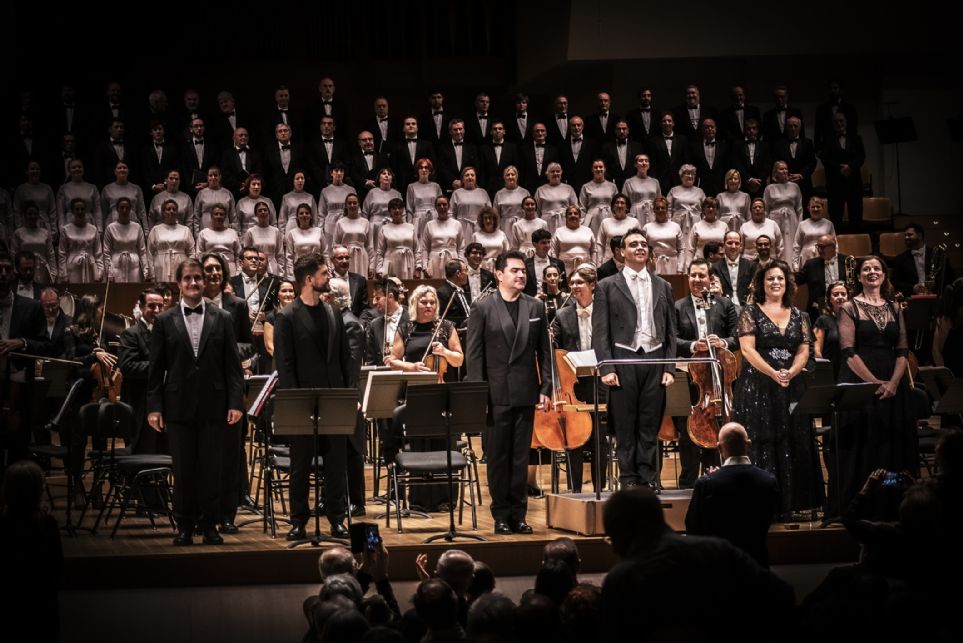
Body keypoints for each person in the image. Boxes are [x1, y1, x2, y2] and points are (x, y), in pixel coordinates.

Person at [602, 485, 794, 642]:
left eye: (611, 537)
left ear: (621, 531)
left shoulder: (622, 579)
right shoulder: (717, 549)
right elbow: (782, 594)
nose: (614, 548)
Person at [147, 258, 244, 546]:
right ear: (179, 283)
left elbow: (233, 367)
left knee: (212, 469)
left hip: (214, 405)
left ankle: (210, 525)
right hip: (178, 406)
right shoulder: (164, 320)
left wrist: (235, 402)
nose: (193, 283)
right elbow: (156, 369)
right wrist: (154, 407)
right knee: (184, 470)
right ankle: (184, 526)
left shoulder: (222, 317)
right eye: (187, 278)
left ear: (204, 281)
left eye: (198, 278)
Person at [467, 250, 552, 534]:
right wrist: (478, 395)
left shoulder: (535, 307)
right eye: (514, 270)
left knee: (520, 457)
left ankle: (519, 514)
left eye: (523, 271)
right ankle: (500, 515)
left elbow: (545, 352)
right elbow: (474, 356)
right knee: (498, 457)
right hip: (495, 395)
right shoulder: (482, 307)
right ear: (499, 274)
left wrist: (546, 387)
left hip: (526, 392)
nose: (521, 275)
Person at [733, 260, 822, 520]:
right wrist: (773, 372)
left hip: (791, 386)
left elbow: (804, 350)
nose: (775, 282)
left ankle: (793, 504)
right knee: (763, 439)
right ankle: (764, 506)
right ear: (762, 283)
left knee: (793, 440)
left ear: (787, 283)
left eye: (780, 278)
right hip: (758, 386)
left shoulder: (801, 316)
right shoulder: (750, 311)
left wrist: (791, 372)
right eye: (770, 278)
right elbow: (747, 350)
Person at [273, 253, 354, 539]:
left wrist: (350, 394)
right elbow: (285, 365)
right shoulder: (286, 316)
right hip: (303, 401)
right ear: (309, 279)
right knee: (300, 465)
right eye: (324, 273)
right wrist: (295, 404)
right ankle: (299, 521)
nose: (328, 277)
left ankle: (336, 518)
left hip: (334, 399)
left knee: (336, 465)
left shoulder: (332, 312)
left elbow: (345, 357)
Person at [834, 256, 919, 519]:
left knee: (893, 444)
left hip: (894, 383)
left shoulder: (895, 307)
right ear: (859, 276)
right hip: (861, 382)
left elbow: (902, 350)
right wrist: (873, 383)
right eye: (867, 269)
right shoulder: (849, 307)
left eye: (877, 268)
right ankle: (866, 501)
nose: (872, 272)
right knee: (867, 443)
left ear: (884, 274)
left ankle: (892, 500)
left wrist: (892, 383)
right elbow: (848, 351)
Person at [593, 228, 676, 489]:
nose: (639, 248)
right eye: (633, 244)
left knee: (650, 424)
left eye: (643, 244)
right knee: (626, 424)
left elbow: (670, 331)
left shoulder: (663, 285)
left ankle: (648, 478)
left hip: (655, 359)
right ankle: (628, 478)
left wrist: (670, 367)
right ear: (621, 252)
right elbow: (600, 332)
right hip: (623, 359)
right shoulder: (607, 285)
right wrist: (607, 366)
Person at [385, 284, 465, 510]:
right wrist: (410, 367)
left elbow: (459, 359)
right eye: (424, 302)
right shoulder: (406, 328)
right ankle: (419, 501)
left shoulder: (446, 327)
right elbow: (391, 360)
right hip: (416, 395)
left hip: (441, 396)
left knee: (444, 445)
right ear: (415, 304)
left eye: (432, 302)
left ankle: (445, 500)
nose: (428, 306)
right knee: (419, 446)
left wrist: (444, 352)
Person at [674, 258, 739, 487]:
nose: (697, 279)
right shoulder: (678, 306)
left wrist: (722, 342)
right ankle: (688, 483)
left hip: (718, 377)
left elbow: (737, 336)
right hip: (689, 377)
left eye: (702, 275)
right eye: (693, 275)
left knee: (716, 427)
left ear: (710, 279)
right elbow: (672, 339)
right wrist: (693, 345)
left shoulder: (724, 304)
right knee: (687, 432)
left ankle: (717, 480)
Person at [550, 264, 603, 492]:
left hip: (600, 382)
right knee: (573, 439)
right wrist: (548, 338)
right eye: (571, 283)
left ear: (592, 285)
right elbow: (556, 347)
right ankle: (575, 490)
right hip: (573, 385)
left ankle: (601, 488)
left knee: (599, 439)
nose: (574, 286)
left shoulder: (604, 312)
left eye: (579, 282)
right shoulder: (562, 315)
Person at [0, 460, 64, 643]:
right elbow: (57, 567)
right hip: (43, 607)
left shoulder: (3, 525)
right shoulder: (47, 525)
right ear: (39, 491)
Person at [327, 278, 368, 517]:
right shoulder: (335, 320)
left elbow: (352, 365)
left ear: (334, 298)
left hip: (349, 395)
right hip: (336, 394)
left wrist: (350, 395)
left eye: (326, 295)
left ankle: (357, 501)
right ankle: (335, 498)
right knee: (335, 449)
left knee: (352, 450)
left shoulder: (350, 323)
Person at [118, 288, 166, 454]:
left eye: (160, 306)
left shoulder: (167, 333)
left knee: (163, 451)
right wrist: (161, 367)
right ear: (141, 306)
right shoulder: (130, 334)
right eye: (152, 306)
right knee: (141, 451)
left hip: (163, 403)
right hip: (139, 404)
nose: (157, 310)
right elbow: (127, 366)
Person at [820, 112, 865, 232]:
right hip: (835, 184)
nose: (839, 123)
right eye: (836, 122)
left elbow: (861, 157)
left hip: (854, 183)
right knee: (835, 219)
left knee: (856, 218)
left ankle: (856, 243)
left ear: (846, 122)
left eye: (841, 121)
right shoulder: (827, 140)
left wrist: (850, 167)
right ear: (832, 124)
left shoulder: (856, 138)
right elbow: (825, 158)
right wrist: (841, 168)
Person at [890, 223, 955, 298]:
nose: (906, 237)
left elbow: (950, 278)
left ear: (920, 236)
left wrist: (935, 283)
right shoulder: (900, 259)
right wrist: (913, 288)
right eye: (905, 235)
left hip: (936, 297)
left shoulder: (938, 255)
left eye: (910, 235)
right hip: (911, 299)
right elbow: (895, 283)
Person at [796, 233, 848, 320]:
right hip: (817, 313)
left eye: (822, 247)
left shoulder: (847, 261)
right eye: (818, 247)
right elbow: (796, 279)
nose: (819, 250)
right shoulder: (811, 265)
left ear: (833, 247)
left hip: (845, 310)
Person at [146, 199, 195, 283]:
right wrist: (152, 274)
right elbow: (150, 253)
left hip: (181, 265)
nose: (171, 211)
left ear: (177, 212)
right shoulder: (156, 229)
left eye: (174, 209)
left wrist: (189, 270)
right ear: (163, 212)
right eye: (168, 209)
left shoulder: (185, 230)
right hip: (160, 265)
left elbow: (192, 252)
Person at [764, 160, 804, 264]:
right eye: (781, 169)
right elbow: (766, 209)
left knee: (791, 243)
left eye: (786, 169)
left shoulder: (795, 186)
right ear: (775, 172)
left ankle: (792, 266)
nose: (784, 171)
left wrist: (800, 225)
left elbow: (799, 208)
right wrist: (766, 226)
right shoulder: (769, 188)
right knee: (777, 243)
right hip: (775, 219)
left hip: (791, 219)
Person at [102, 196, 150, 282]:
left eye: (127, 208)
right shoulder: (110, 228)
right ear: (117, 209)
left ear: (130, 209)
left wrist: (145, 270)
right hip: (116, 265)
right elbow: (106, 252)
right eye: (122, 207)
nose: (124, 210)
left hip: (134, 265)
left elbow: (142, 251)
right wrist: (109, 271)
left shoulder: (137, 227)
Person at [667, 164, 705, 267]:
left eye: (692, 174)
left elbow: (704, 210)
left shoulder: (700, 191)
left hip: (695, 222)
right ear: (681, 176)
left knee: (693, 246)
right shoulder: (674, 190)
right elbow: (668, 208)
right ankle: (679, 268)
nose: (690, 176)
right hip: (678, 223)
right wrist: (669, 224)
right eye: (687, 173)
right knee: (679, 246)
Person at [58, 197, 104, 283]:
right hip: (72, 268)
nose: (80, 211)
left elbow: (98, 253)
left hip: (90, 267)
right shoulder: (66, 230)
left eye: (82, 209)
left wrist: (100, 271)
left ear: (85, 210)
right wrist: (63, 274)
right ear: (72, 211)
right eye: (77, 209)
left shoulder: (93, 229)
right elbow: (62, 254)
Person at [11, 202, 57, 284]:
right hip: (25, 269)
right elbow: (14, 254)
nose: (33, 216)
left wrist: (53, 272)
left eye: (35, 214)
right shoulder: (18, 233)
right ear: (24, 215)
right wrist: (16, 271)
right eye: (30, 214)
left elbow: (50, 254)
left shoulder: (45, 232)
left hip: (42, 269)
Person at [420, 196, 465, 279]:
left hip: (452, 260)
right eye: (439, 205)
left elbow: (461, 247)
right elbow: (425, 248)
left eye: (444, 204)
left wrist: (461, 263)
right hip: (434, 261)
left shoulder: (457, 224)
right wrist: (425, 266)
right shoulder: (429, 225)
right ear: (435, 207)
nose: (442, 207)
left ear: (449, 206)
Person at [332, 193, 374, 278]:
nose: (352, 205)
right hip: (345, 258)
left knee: (361, 281)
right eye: (349, 203)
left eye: (354, 203)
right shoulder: (340, 223)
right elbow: (335, 245)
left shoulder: (365, 222)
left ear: (358, 205)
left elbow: (370, 246)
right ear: (346, 205)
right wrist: (335, 264)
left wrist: (372, 265)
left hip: (362, 257)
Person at [375, 198, 419, 279]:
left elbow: (416, 249)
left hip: (408, 265)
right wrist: (379, 269)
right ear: (390, 211)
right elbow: (380, 251)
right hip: (391, 264)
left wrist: (418, 266)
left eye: (399, 208)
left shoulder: (411, 227)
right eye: (394, 208)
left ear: (403, 210)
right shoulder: (384, 228)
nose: (397, 210)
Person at [814, 281, 850, 379]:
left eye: (843, 294)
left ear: (848, 297)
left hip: (851, 373)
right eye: (835, 294)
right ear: (830, 299)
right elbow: (817, 352)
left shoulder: (854, 320)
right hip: (830, 373)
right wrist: (824, 373)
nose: (840, 297)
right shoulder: (823, 320)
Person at [195, 203, 241, 275]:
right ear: (211, 216)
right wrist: (202, 272)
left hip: (231, 268)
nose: (218, 216)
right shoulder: (203, 233)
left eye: (221, 214)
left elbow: (238, 254)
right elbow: (199, 255)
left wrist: (238, 271)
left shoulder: (232, 233)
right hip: (210, 268)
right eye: (216, 214)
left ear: (225, 217)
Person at [55, 159, 101, 231]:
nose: (77, 169)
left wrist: (100, 229)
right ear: (69, 170)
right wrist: (61, 228)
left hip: (88, 223)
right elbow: (61, 213)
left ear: (83, 169)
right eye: (73, 167)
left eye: (79, 167)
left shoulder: (92, 188)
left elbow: (97, 210)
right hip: (69, 224)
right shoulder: (63, 189)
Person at [712, 230, 754, 309]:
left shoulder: (751, 266)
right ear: (723, 245)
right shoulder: (715, 267)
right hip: (723, 309)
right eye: (730, 243)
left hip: (746, 308)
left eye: (737, 243)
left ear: (741, 246)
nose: (733, 246)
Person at [240, 201, 284, 276]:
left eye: (265, 210)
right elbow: (246, 253)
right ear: (256, 214)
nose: (263, 212)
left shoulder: (276, 231)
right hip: (256, 266)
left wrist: (281, 273)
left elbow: (280, 255)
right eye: (260, 210)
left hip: (273, 267)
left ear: (269, 212)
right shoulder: (250, 232)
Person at [101, 160, 147, 231]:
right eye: (119, 168)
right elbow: (103, 213)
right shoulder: (107, 189)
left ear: (128, 171)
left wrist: (146, 230)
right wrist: (102, 230)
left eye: (124, 168)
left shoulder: (136, 189)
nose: (122, 170)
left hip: (132, 223)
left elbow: (142, 212)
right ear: (115, 171)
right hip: (112, 224)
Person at [641, 196, 682, 274]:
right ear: (654, 210)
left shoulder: (675, 226)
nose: (660, 210)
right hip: (653, 264)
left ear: (667, 209)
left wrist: (680, 268)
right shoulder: (647, 227)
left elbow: (681, 249)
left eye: (663, 208)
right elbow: (643, 249)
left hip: (672, 263)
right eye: (657, 208)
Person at [284, 203, 326, 281]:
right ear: (297, 217)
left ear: (311, 216)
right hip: (300, 271)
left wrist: (327, 271)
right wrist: (291, 276)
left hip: (316, 269)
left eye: (307, 213)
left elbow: (325, 253)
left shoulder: (319, 231)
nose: (304, 215)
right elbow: (289, 257)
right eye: (301, 213)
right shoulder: (292, 233)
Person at [793, 197, 835, 270]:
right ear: (808, 208)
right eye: (813, 207)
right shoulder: (802, 224)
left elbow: (834, 244)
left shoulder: (829, 224)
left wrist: (834, 260)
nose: (815, 209)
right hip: (806, 257)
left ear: (822, 208)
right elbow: (796, 245)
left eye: (818, 207)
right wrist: (795, 263)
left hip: (824, 256)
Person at [535, 163, 578, 234]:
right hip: (547, 223)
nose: (555, 173)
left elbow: (575, 208)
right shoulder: (540, 190)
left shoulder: (569, 188)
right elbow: (536, 211)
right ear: (547, 175)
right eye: (552, 171)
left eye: (558, 171)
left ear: (561, 173)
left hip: (565, 222)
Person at [405, 159, 443, 239]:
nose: (424, 170)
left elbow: (441, 206)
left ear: (430, 171)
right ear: (417, 170)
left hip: (433, 218)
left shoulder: (436, 186)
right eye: (421, 167)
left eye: (426, 167)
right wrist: (409, 227)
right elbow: (409, 209)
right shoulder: (411, 187)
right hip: (418, 220)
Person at [578, 159, 618, 235]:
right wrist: (582, 223)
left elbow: (616, 204)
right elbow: (582, 207)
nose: (598, 169)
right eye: (595, 167)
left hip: (609, 217)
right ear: (592, 170)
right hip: (592, 219)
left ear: (605, 169)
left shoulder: (613, 186)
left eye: (600, 167)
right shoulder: (585, 187)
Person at [449, 167, 491, 240]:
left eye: (472, 175)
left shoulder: (483, 192)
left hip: (480, 228)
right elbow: (450, 213)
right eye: (467, 175)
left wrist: (486, 226)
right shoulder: (456, 193)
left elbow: (489, 211)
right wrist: (455, 227)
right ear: (462, 179)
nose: (470, 177)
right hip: (462, 228)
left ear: (475, 178)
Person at [602, 119, 645, 190]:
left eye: (624, 129)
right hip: (612, 186)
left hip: (634, 185)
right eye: (619, 129)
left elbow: (640, 167)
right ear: (615, 131)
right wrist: (610, 181)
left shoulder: (637, 147)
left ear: (628, 131)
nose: (621, 131)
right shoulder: (606, 148)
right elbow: (604, 167)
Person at [597, 194, 640, 265]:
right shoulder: (605, 222)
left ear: (627, 207)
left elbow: (639, 243)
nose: (619, 205)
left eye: (622, 203)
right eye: (617, 203)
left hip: (629, 261)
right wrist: (599, 263)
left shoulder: (634, 222)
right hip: (609, 261)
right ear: (613, 207)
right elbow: (600, 244)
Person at [362, 167, 403, 241]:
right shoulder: (372, 193)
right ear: (379, 179)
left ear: (392, 180)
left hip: (392, 226)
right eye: (384, 173)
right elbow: (365, 212)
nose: (386, 175)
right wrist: (365, 229)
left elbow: (403, 213)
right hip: (374, 226)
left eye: (389, 174)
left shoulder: (397, 194)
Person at [523, 229, 566, 297]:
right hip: (532, 300)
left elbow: (564, 286)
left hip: (554, 300)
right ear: (534, 244)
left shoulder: (559, 263)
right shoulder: (525, 264)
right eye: (543, 243)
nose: (547, 245)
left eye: (548, 242)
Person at [621, 153, 661, 225]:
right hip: (635, 214)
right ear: (635, 164)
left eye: (646, 161)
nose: (644, 163)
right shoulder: (629, 182)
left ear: (649, 165)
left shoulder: (655, 182)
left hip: (652, 214)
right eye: (641, 161)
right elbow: (624, 202)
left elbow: (659, 201)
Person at [262, 280, 296, 360]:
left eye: (291, 291)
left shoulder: (300, 314)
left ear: (294, 294)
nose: (288, 294)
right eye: (284, 291)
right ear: (277, 295)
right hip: (279, 361)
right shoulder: (271, 317)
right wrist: (284, 362)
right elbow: (270, 347)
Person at [491, 165, 529, 238]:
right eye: (508, 175)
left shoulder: (525, 192)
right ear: (504, 177)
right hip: (505, 226)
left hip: (522, 225)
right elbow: (496, 215)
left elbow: (530, 211)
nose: (510, 177)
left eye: (513, 174)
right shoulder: (499, 194)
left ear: (517, 176)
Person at [688, 196, 728, 264]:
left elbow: (726, 247)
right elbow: (691, 249)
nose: (711, 209)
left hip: (719, 264)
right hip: (700, 263)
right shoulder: (696, 226)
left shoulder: (724, 226)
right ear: (703, 209)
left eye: (713, 207)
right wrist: (689, 265)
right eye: (708, 207)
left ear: (717, 210)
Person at [472, 207, 511, 272]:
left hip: (499, 267)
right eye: (485, 218)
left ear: (494, 220)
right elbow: (472, 255)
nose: (488, 221)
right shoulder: (475, 235)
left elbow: (506, 252)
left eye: (490, 218)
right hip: (482, 267)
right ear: (482, 220)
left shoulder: (501, 234)